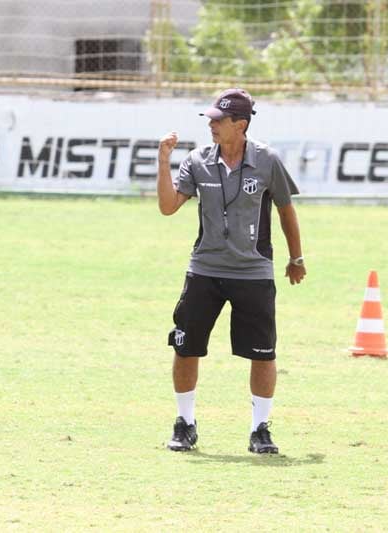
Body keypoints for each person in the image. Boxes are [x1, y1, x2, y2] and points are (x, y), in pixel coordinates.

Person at [156, 88, 306, 454]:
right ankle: (185, 422)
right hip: (204, 269)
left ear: (240, 124)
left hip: (254, 272)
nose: (212, 125)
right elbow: (167, 207)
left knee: (262, 353)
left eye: (219, 120)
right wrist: (163, 163)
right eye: (210, 119)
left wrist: (295, 258)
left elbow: (286, 210)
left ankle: (260, 429)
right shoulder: (196, 160)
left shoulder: (267, 160)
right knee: (186, 347)